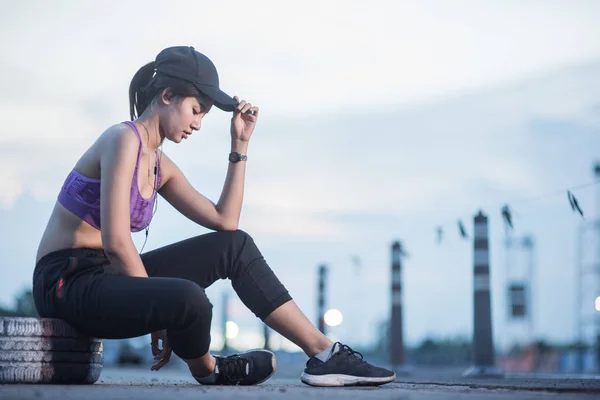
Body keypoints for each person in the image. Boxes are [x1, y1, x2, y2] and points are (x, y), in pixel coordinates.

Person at [32, 45, 396, 387]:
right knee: (189, 299)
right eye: (196, 109)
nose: (199, 124)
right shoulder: (122, 139)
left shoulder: (161, 165)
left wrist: (239, 145)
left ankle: (323, 353)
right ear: (168, 96)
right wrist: (155, 310)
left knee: (235, 247)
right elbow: (115, 241)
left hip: (111, 277)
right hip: (66, 282)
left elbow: (226, 222)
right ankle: (210, 368)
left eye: (205, 115)